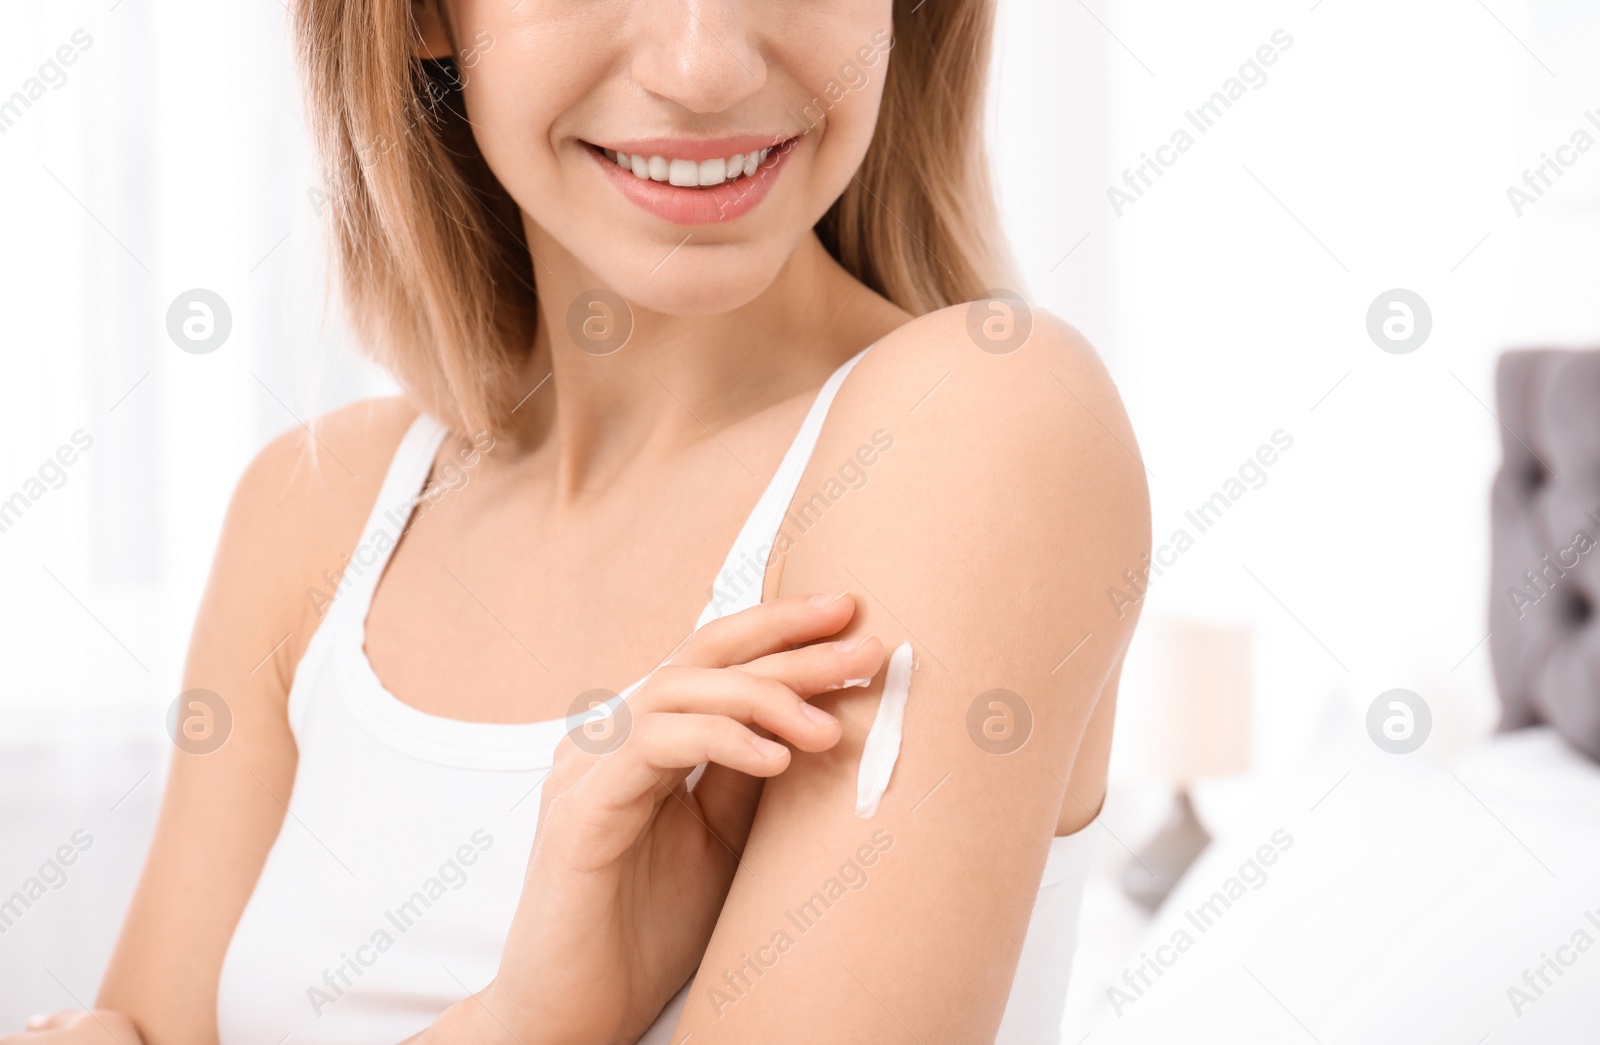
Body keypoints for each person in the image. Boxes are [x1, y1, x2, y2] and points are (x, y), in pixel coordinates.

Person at [6, 0, 1149, 1041]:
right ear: (418, 17)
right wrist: (529, 1015)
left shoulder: (977, 420)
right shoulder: (314, 512)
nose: (702, 68)